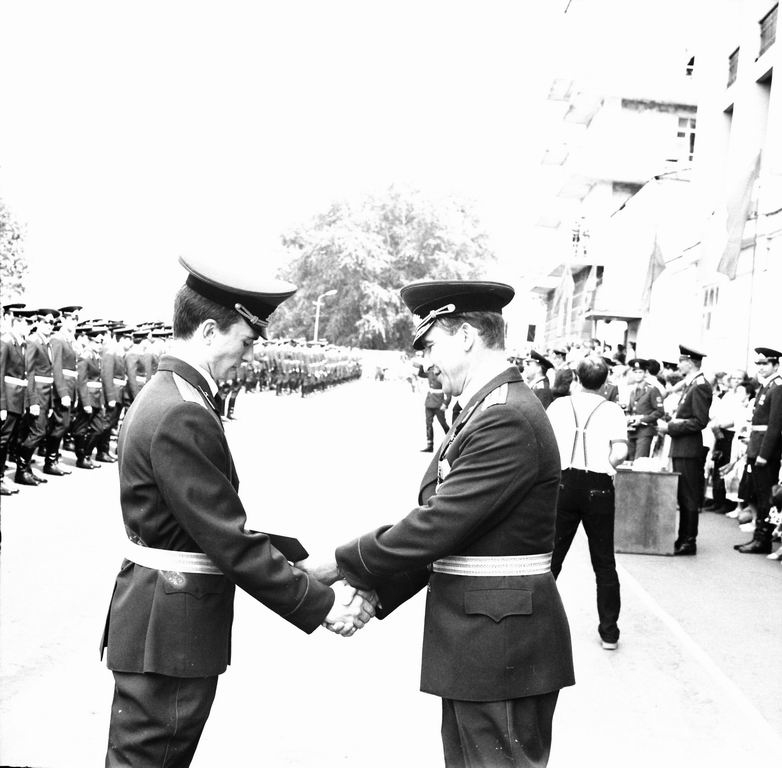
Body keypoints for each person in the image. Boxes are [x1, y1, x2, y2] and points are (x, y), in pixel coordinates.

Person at [101, 255, 375, 768]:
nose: (249, 356)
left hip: (161, 618)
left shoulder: (172, 395)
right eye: (245, 342)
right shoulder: (182, 410)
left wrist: (298, 562)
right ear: (209, 331)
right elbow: (225, 536)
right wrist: (319, 604)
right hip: (171, 626)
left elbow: (197, 520)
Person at [299, 280, 575, 768]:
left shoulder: (505, 416)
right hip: (484, 640)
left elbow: (439, 525)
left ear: (466, 336)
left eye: (430, 345)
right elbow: (458, 534)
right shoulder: (489, 407)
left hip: (499, 643)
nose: (425, 361)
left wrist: (339, 565)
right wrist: (376, 592)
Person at [546, 355, 628, 651]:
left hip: (563, 484)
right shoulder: (612, 410)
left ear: (576, 379)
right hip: (599, 487)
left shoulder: (559, 406)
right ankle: (609, 632)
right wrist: (607, 464)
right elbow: (620, 451)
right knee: (604, 562)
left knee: (551, 558)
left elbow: (545, 445)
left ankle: (537, 622)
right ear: (605, 382)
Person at [657, 344, 713, 555]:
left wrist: (670, 427)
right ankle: (683, 538)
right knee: (683, 496)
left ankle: (689, 541)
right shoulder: (692, 384)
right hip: (682, 447)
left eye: (681, 361)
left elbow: (699, 421)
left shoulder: (699, 386)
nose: (679, 365)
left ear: (690, 363)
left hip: (689, 448)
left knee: (688, 497)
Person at [734, 347, 782, 554]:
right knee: (757, 493)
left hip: (766, 450)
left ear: (776, 365)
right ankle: (758, 537)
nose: (761, 368)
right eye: (759, 364)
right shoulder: (766, 386)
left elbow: (775, 425)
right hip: (756, 445)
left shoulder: (777, 387)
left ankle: (763, 539)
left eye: (765, 364)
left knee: (765, 496)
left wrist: (764, 454)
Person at [1, 307, 34, 494]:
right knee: (2, 440)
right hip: (8, 399)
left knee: (6, 440)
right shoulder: (6, 342)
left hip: (17, 399)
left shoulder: (20, 344)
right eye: (26, 322)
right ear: (16, 321)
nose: (29, 326)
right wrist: (1, 405)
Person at [624, 358, 664, 461]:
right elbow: (631, 410)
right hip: (632, 430)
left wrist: (642, 419)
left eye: (640, 372)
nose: (637, 375)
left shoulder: (652, 390)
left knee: (639, 461)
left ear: (645, 373)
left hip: (645, 430)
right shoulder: (633, 391)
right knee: (630, 461)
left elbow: (659, 411)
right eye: (635, 372)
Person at [418, 358, 450, 451]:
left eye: (436, 367)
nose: (434, 368)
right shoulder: (430, 372)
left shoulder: (443, 375)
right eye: (433, 366)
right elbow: (420, 374)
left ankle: (451, 441)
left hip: (439, 404)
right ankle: (430, 445)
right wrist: (421, 364)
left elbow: (448, 392)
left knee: (443, 423)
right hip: (429, 403)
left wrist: (445, 404)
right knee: (428, 424)